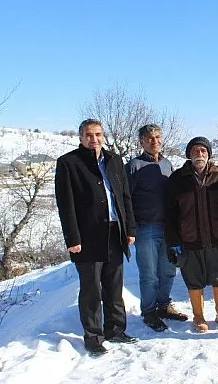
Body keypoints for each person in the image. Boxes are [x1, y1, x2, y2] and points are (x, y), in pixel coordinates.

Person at [54, 119, 138, 356]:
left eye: (98, 134)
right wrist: (72, 238)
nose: (94, 139)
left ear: (103, 136)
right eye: (89, 135)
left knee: (114, 286)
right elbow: (65, 205)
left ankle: (115, 329)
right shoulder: (69, 163)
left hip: (115, 232)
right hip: (87, 237)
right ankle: (93, 337)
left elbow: (124, 197)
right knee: (91, 290)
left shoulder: (114, 160)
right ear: (80, 137)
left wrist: (130, 229)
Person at [165, 136, 218, 333]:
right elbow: (170, 213)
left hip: (216, 239)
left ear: (208, 154)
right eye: (195, 151)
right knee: (194, 278)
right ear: (189, 155)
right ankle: (198, 317)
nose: (199, 154)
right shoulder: (178, 179)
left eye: (203, 151)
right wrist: (174, 240)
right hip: (190, 239)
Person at [125, 124, 188, 332]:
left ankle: (164, 305)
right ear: (142, 142)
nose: (155, 141)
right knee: (149, 274)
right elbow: (126, 200)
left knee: (168, 270)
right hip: (145, 228)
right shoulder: (134, 166)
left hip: (167, 228)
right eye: (150, 138)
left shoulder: (167, 164)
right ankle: (149, 311)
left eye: (158, 137)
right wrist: (130, 228)